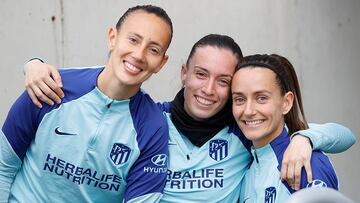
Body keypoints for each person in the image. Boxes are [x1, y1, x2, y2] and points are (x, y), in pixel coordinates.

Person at [20, 35, 355, 202]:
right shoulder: (147, 122)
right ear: (183, 73)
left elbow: (344, 135)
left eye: (223, 81)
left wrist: (305, 137)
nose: (209, 90)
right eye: (200, 74)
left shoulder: (241, 131)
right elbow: (109, 86)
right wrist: (35, 64)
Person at [0, 5, 173, 202]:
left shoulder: (152, 127)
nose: (139, 55)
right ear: (112, 38)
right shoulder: (51, 86)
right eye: (133, 40)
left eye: (153, 49)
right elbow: (3, 167)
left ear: (161, 62)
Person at [232, 54, 341, 202]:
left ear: (286, 103)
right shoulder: (246, 172)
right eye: (239, 99)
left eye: (261, 98)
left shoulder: (306, 162)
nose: (248, 111)